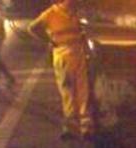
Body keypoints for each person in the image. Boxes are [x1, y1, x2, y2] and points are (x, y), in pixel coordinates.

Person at [27, 0, 94, 140]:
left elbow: (82, 33)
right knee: (68, 91)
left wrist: (87, 51)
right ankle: (71, 127)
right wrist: (48, 41)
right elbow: (32, 28)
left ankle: (85, 127)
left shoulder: (74, 13)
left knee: (83, 90)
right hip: (63, 56)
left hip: (78, 55)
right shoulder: (50, 14)